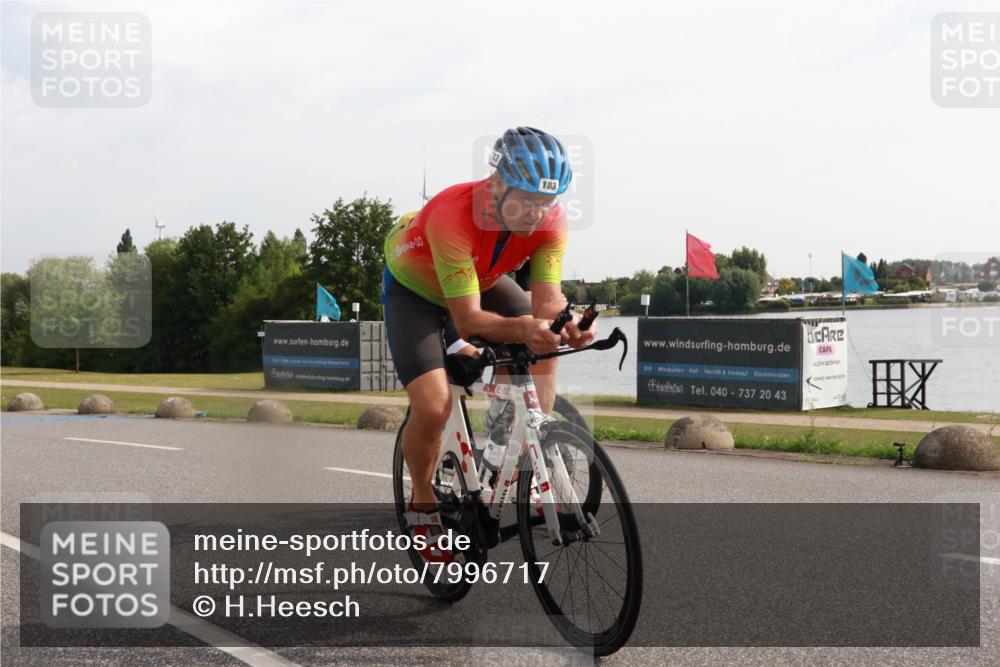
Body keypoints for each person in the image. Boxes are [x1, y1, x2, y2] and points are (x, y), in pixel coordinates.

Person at [381, 127, 596, 559]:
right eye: (528, 199)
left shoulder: (551, 222)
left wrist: (566, 323)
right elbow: (467, 319)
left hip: (483, 279)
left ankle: (518, 447)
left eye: (547, 201)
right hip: (416, 291)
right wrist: (523, 329)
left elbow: (547, 300)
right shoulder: (452, 213)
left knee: (545, 341)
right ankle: (422, 499)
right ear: (497, 183)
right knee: (433, 405)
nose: (538, 213)